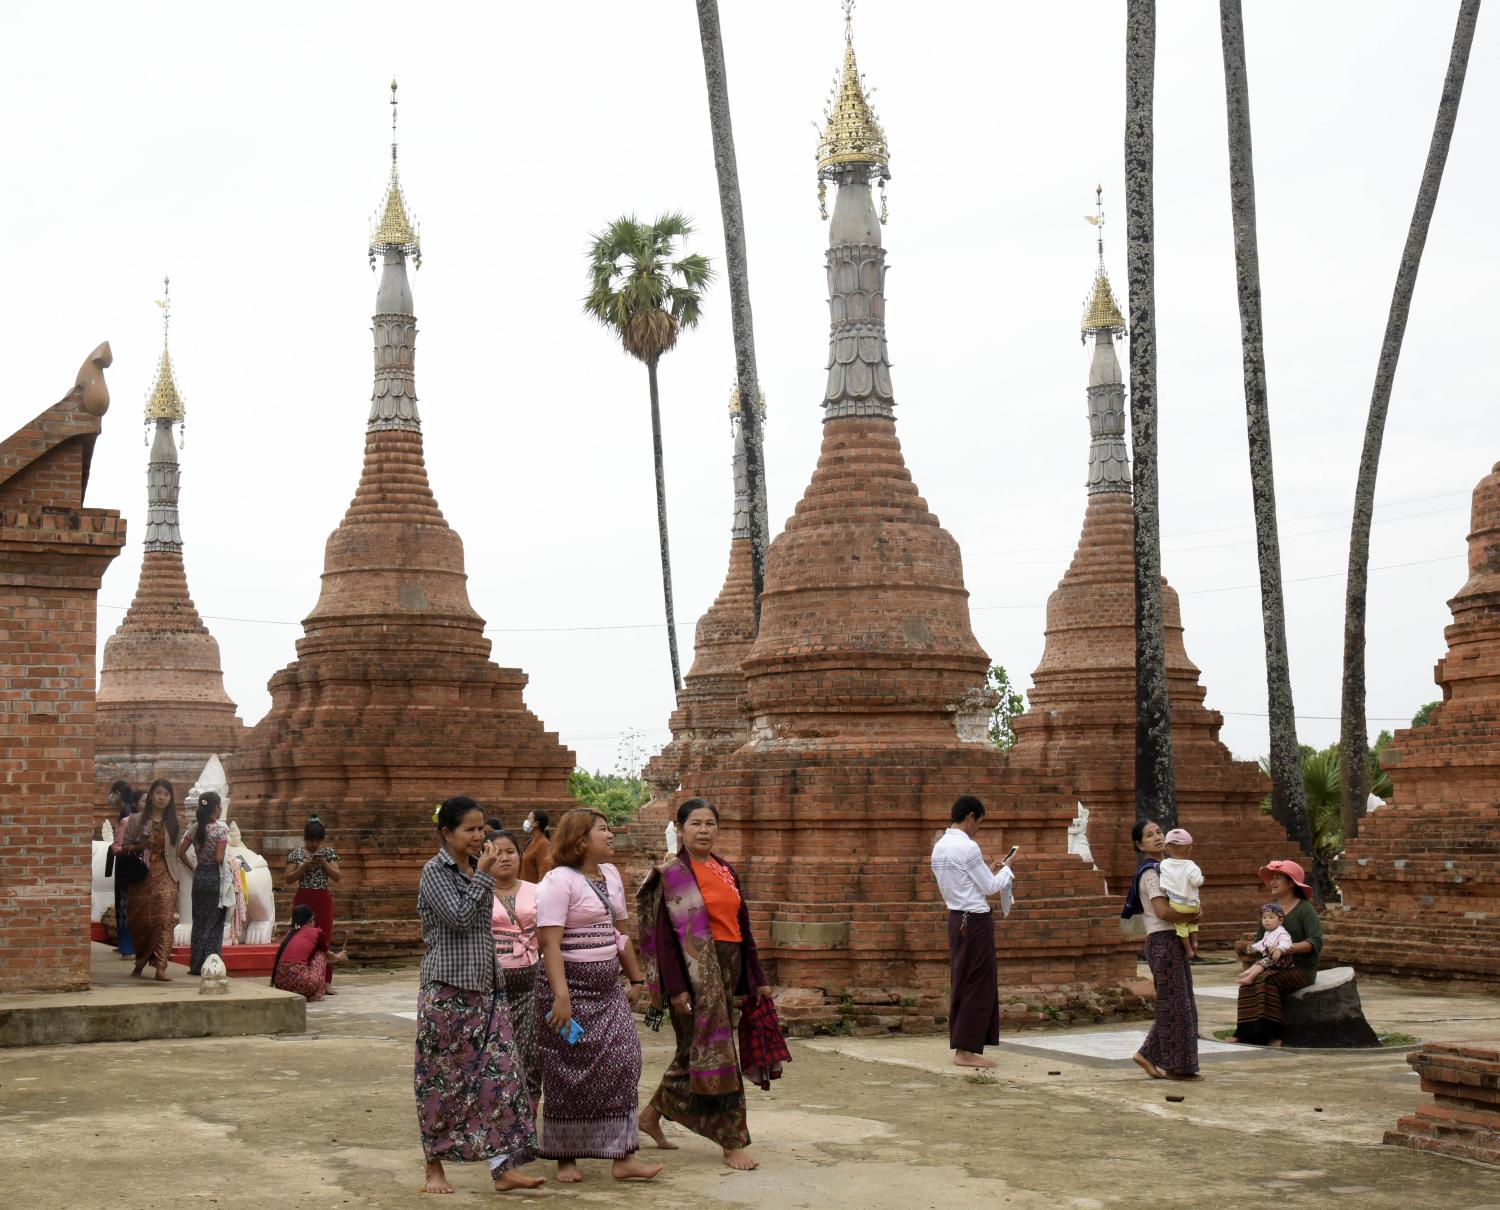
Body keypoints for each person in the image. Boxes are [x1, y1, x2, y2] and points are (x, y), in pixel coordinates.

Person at [414, 796, 543, 1195]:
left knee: (503, 1076)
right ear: (446, 833)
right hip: (447, 992)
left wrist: (497, 986)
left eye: (481, 828)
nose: (478, 836)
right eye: (469, 829)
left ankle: (503, 1167)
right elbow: (460, 918)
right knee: (442, 1082)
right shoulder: (435, 871)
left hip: (487, 992)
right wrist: (484, 876)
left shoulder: (475, 869)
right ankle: (433, 1167)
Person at [637, 798, 772, 1171]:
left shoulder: (725, 869)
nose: (703, 830)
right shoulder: (673, 873)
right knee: (718, 1054)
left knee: (693, 1054)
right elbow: (664, 939)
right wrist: (677, 989)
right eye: (695, 823)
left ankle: (650, 1115)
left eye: (710, 823)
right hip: (693, 975)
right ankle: (732, 1140)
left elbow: (743, 928)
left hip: (729, 967)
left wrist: (757, 979)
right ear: (680, 829)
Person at [534, 808, 661, 1184]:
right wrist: (561, 997)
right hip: (568, 991)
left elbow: (620, 933)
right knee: (567, 1071)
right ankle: (565, 1156)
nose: (610, 835)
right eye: (603, 830)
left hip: (608, 992)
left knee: (626, 1060)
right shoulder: (558, 880)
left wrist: (636, 980)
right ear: (581, 841)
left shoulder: (611, 875)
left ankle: (623, 1155)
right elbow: (550, 943)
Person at [929, 795, 1017, 1070]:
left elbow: (966, 883)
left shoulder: (940, 846)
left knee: (963, 980)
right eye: (979, 822)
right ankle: (966, 1051)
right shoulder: (968, 847)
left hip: (957, 919)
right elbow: (990, 888)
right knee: (978, 983)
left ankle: (964, 1044)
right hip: (975, 921)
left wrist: (989, 871)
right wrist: (1007, 871)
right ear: (970, 817)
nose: (978, 828)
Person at [1126, 820, 1201, 1080]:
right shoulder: (1151, 873)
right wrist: (1191, 916)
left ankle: (1152, 1056)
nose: (1157, 837)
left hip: (1175, 939)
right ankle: (1174, 1066)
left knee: (1181, 1004)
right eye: (1149, 835)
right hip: (1163, 941)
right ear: (1140, 845)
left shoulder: (1171, 868)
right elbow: (1163, 911)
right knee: (1175, 1005)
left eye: (1159, 832)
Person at [1230, 860, 1324, 1046]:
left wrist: (1286, 949)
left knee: (1267, 980)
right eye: (1272, 877)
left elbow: (1315, 942)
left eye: (1279, 877)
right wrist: (1252, 948)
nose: (1273, 881)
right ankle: (1245, 1034)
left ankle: (1275, 1036)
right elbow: (1260, 941)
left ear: (1292, 883)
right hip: (1273, 964)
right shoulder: (1269, 911)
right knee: (1247, 984)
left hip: (1300, 968)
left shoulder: (1305, 909)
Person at [487, 829, 542, 1111]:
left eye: (510, 852)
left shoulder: (537, 891)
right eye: (497, 853)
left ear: (520, 857)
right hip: (491, 986)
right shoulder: (478, 892)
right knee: (496, 1052)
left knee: (531, 1052)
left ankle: (528, 1114)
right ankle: (500, 1113)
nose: (505, 858)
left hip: (530, 984)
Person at [120, 778, 182, 981]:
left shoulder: (174, 823)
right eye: (158, 793)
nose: (162, 797)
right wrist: (139, 846)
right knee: (143, 922)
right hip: (141, 876)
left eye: (166, 794)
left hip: (166, 874)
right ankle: (141, 961)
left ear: (170, 798)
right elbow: (123, 847)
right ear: (151, 795)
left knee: (165, 919)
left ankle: (161, 967)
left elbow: (175, 853)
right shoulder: (136, 820)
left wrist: (178, 879)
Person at [284, 816, 340, 995]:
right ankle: (302, 977)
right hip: (303, 898)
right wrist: (303, 868)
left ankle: (326, 980)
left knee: (324, 939)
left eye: (317, 841)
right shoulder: (297, 854)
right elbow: (288, 879)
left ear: (321, 840)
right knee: (300, 937)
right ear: (305, 839)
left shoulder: (328, 854)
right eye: (310, 840)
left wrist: (324, 863)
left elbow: (337, 876)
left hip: (322, 898)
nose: (314, 844)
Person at [178, 790, 230, 976]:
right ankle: (211, 964)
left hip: (199, 876)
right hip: (215, 877)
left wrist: (194, 868)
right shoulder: (221, 830)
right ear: (216, 807)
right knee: (215, 922)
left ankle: (196, 965)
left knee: (199, 921)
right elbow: (219, 858)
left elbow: (181, 853)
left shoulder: (194, 829)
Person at [270, 903, 346, 1001]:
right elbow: (327, 955)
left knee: (315, 955)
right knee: (320, 953)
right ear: (311, 919)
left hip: (281, 984)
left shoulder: (290, 934)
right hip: (300, 982)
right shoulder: (317, 932)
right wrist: (339, 957)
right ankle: (317, 994)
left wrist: (332, 960)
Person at [1158, 827, 1204, 959]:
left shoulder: (1164, 864)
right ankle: (1195, 942)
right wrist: (1201, 879)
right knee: (1193, 922)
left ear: (1166, 849)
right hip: (1194, 905)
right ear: (1189, 849)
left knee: (1180, 925)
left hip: (1177, 904)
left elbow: (1163, 881)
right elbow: (1197, 882)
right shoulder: (1191, 865)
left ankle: (1188, 949)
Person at [106, 781, 137, 960]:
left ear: (117, 793)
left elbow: (121, 841)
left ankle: (127, 946)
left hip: (125, 860)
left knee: (124, 903)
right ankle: (125, 945)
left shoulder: (126, 812)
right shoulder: (130, 809)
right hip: (130, 860)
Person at [1236, 904, 1294, 986]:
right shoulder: (1267, 933)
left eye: (1271, 917)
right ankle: (1249, 972)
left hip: (1282, 960)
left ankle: (1250, 978)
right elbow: (1262, 943)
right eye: (1264, 918)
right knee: (1259, 961)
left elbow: (1286, 942)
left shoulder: (1281, 932)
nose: (1267, 920)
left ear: (1280, 920)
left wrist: (1279, 950)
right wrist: (1253, 948)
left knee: (1263, 962)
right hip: (1271, 958)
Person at [519, 810, 553, 883]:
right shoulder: (531, 841)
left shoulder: (543, 844)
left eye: (529, 819)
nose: (526, 821)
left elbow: (545, 871)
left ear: (536, 823)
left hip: (533, 888)